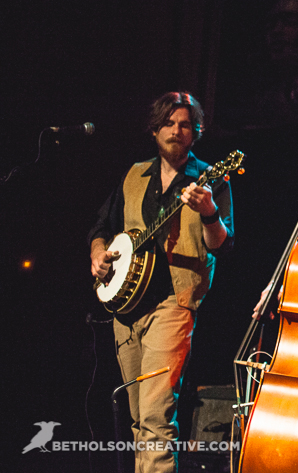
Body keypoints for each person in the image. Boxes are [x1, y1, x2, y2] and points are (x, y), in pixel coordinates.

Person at [89, 91, 234, 473]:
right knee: (140, 419)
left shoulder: (210, 178)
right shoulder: (134, 174)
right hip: (126, 309)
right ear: (154, 129)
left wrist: (208, 212)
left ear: (196, 132)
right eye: (169, 122)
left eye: (185, 124)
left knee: (155, 418)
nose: (176, 130)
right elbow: (102, 228)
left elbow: (221, 245)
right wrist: (98, 256)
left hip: (174, 303)